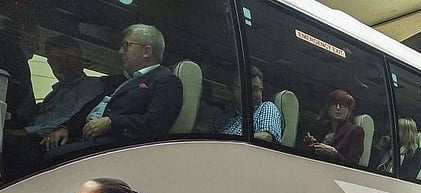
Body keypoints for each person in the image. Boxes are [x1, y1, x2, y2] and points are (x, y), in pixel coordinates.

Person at [43, 24, 183, 156]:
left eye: (126, 46)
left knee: (51, 156)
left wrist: (112, 122)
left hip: (115, 146)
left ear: (146, 51)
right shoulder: (123, 80)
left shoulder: (165, 80)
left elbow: (156, 122)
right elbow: (90, 107)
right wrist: (66, 128)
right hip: (85, 136)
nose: (120, 51)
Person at [3, 36, 104, 181]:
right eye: (56, 59)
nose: (63, 64)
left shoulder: (91, 86)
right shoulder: (56, 92)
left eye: (69, 58)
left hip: (51, 142)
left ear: (81, 58)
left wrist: (22, 132)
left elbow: (67, 119)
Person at [215, 65, 282, 143]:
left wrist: (237, 139)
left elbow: (266, 137)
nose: (258, 95)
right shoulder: (224, 119)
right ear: (234, 90)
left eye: (260, 90)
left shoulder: (266, 107)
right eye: (253, 89)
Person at [303, 89, 364, 164]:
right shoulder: (319, 127)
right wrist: (313, 145)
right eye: (335, 104)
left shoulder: (355, 131)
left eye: (343, 105)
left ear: (349, 111)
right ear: (328, 108)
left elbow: (353, 162)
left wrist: (334, 153)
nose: (338, 108)